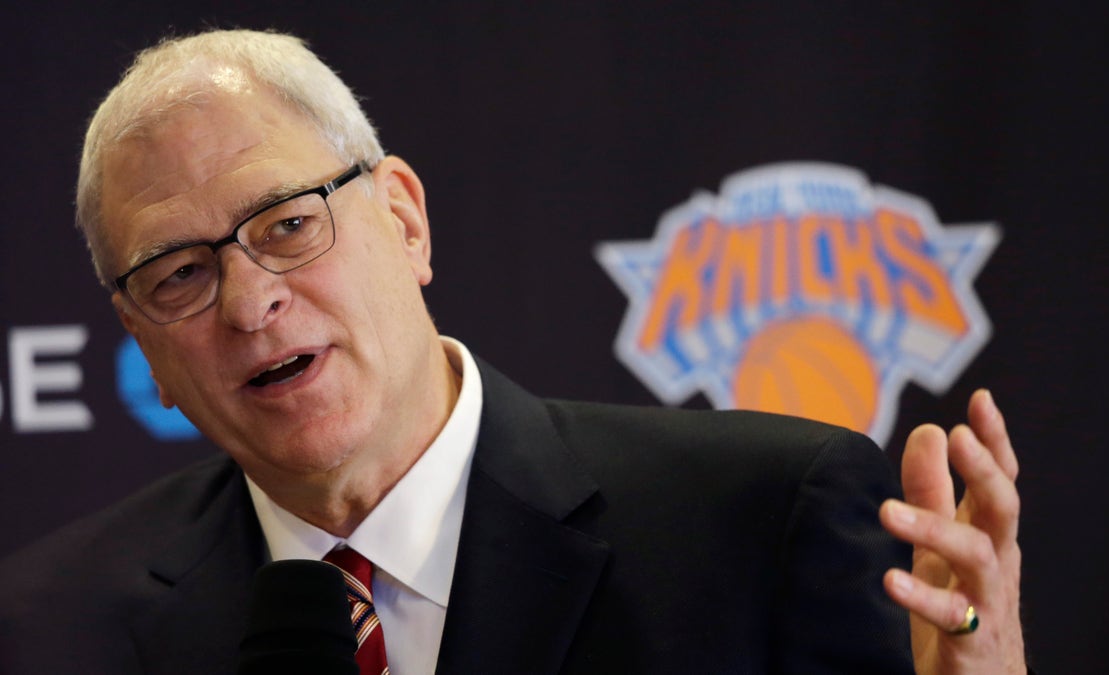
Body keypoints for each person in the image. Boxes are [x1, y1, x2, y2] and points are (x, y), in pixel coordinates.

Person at [0, 29, 1026, 674]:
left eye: (285, 222)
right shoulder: (47, 628)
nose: (249, 302)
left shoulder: (762, 525)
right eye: (178, 272)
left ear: (403, 219)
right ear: (147, 351)